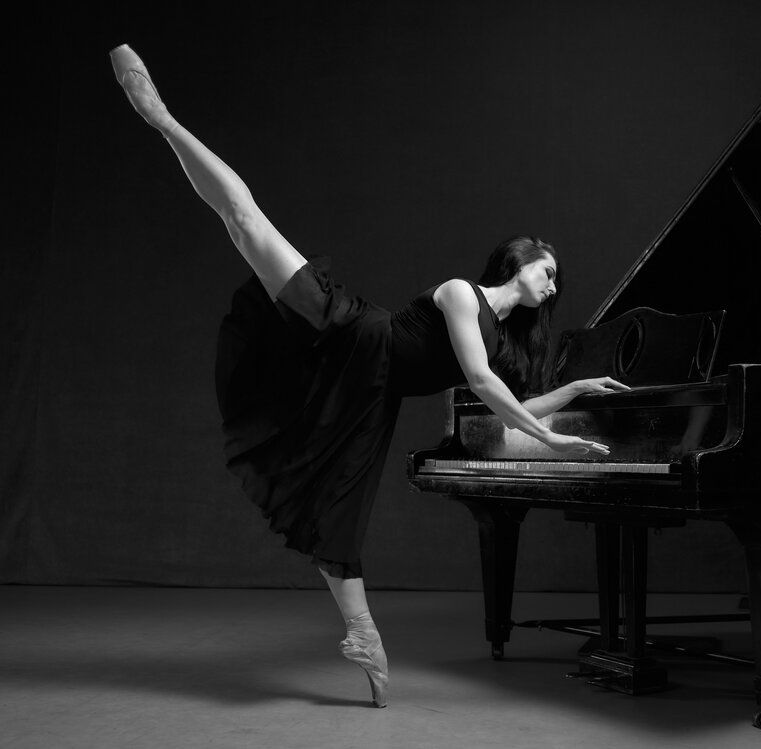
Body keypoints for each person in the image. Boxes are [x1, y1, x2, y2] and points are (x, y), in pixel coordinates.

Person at [109, 44, 628, 708]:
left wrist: (577, 391)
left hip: (371, 392)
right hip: (354, 331)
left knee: (337, 514)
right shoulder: (462, 293)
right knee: (244, 223)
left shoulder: (500, 341)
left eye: (556, 280)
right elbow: (484, 383)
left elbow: (510, 400)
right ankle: (159, 115)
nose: (554, 283)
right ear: (518, 260)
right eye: (548, 268)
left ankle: (362, 632)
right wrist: (553, 441)